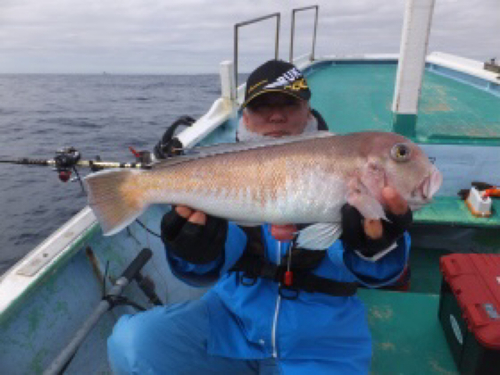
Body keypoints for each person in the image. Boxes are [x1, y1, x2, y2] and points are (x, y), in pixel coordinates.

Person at [107, 60, 412, 374]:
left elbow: (381, 273)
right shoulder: (222, 168)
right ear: (245, 118)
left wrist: (376, 246)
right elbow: (202, 271)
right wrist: (192, 249)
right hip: (231, 324)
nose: (276, 115)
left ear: (308, 110)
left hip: (323, 345)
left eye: (289, 104)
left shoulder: (346, 165)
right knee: (134, 342)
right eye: (262, 105)